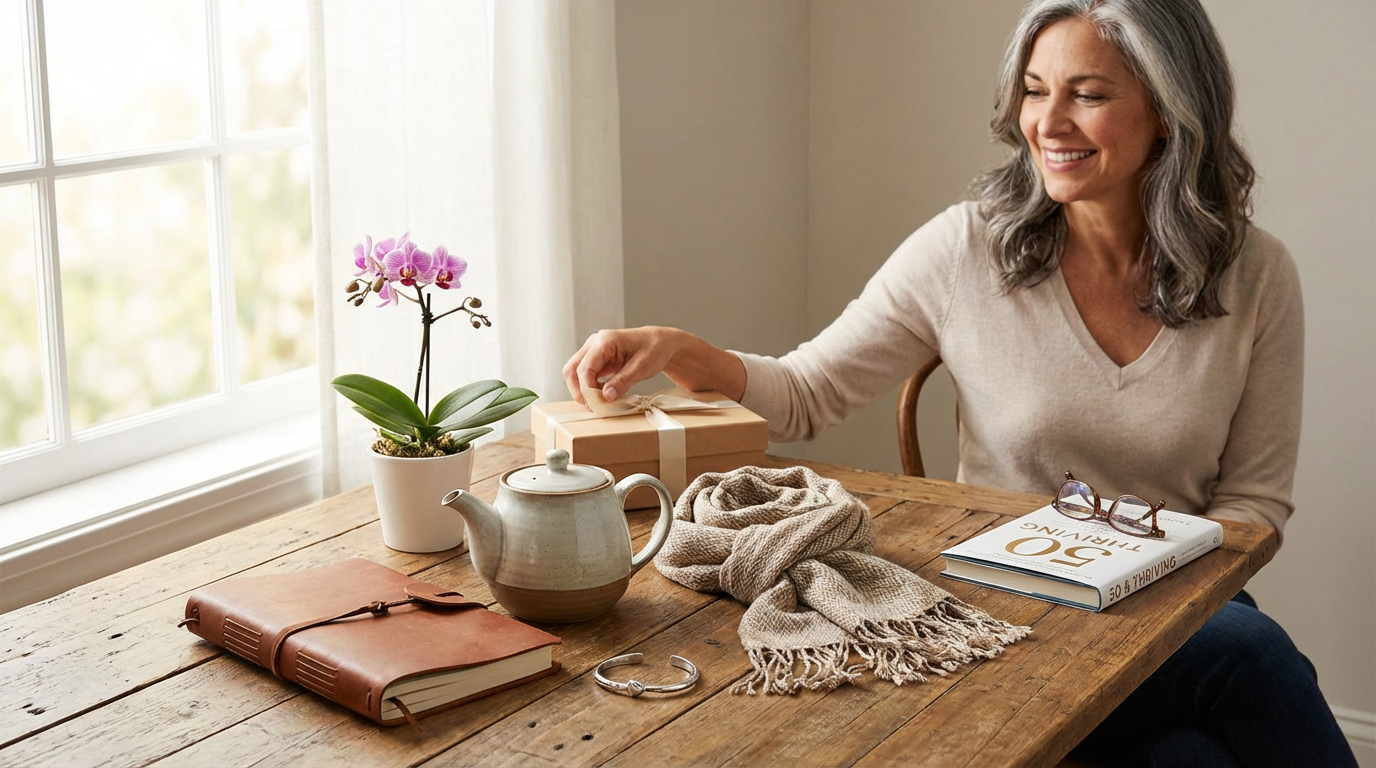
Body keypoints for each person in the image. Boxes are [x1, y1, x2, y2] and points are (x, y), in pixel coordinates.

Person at [564, 0, 1356, 766]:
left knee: (1195, 746)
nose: (1048, 123)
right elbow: (808, 393)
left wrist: (1149, 588)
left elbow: (1254, 508)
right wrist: (681, 351)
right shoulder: (964, 250)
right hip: (1016, 610)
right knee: (1253, 660)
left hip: (1183, 604)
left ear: (1170, 112)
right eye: (1036, 91)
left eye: (1089, 94)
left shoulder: (1257, 275)